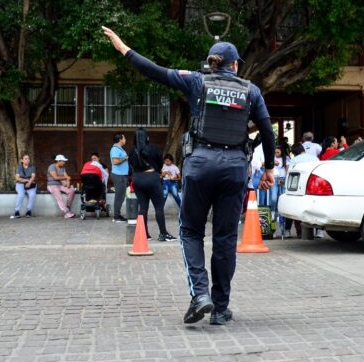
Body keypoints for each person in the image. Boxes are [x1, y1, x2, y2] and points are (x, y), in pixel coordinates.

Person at [103, 26, 275, 326]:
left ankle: (200, 294)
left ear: (212, 63)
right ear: (234, 65)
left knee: (191, 231)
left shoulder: (197, 81)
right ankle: (220, 308)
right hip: (235, 167)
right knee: (225, 238)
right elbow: (268, 132)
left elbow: (154, 71)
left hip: (200, 165)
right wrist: (270, 168)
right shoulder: (251, 90)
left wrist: (123, 48)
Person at [129, 128, 176, 242]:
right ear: (147, 138)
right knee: (158, 208)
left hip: (138, 179)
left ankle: (144, 234)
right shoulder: (154, 148)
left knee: (143, 208)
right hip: (152, 179)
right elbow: (160, 165)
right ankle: (163, 234)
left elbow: (131, 167)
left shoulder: (131, 151)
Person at [283, 143, 318, 237]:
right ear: (304, 149)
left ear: (294, 153)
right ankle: (319, 231)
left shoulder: (294, 160)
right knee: (315, 210)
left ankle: (288, 231)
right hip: (313, 188)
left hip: (297, 188)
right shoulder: (314, 159)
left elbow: (289, 174)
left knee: (291, 210)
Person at [110, 133, 129, 223]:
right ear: (120, 139)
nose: (125, 139)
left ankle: (118, 215)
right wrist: (125, 159)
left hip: (122, 175)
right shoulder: (115, 149)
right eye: (124, 138)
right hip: (118, 175)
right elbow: (115, 161)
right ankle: (116, 216)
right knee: (119, 196)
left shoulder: (119, 149)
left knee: (121, 195)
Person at [12, 154, 37, 218]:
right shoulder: (19, 167)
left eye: (28, 158)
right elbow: (17, 178)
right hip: (20, 184)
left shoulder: (32, 167)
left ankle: (29, 211)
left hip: (30, 184)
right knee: (21, 194)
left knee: (32, 195)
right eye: (26, 159)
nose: (28, 160)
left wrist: (29, 182)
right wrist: (26, 180)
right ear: (22, 160)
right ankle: (17, 211)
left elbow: (33, 176)